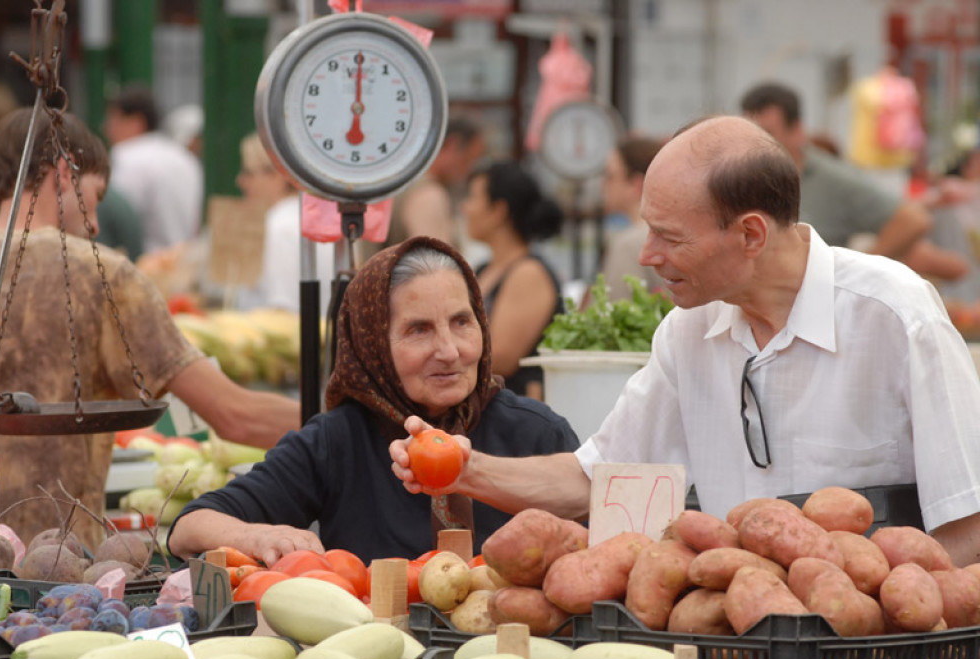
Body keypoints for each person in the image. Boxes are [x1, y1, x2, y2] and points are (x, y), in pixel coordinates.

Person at [390, 115, 980, 568]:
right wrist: (463, 469)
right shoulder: (689, 333)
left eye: (668, 237)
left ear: (750, 234)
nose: (647, 257)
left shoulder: (895, 316)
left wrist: (893, 606)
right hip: (736, 649)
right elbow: (591, 480)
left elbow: (968, 519)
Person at [0, 107, 303, 551]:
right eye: (96, 195)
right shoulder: (101, 274)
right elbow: (235, 415)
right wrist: (343, 424)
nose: (96, 223)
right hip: (54, 554)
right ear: (64, 173)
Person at [167, 237, 579, 564]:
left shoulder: (538, 432)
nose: (450, 350)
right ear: (372, 346)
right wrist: (259, 535)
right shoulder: (337, 441)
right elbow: (189, 527)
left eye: (461, 322)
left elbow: (605, 532)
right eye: (419, 330)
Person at [739, 82, 967, 281]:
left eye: (768, 132)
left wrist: (855, 274)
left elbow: (913, 220)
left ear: (797, 130)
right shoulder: (743, 177)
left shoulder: (832, 179)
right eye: (751, 132)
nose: (758, 143)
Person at [463, 161, 564, 399]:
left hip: (513, 409)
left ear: (499, 211)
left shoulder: (529, 273)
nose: (465, 208)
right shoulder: (483, 268)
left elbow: (501, 358)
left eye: (472, 198)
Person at [361, 115, 486, 263]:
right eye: (469, 160)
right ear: (452, 145)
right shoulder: (428, 194)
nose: (468, 171)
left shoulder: (400, 182)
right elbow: (437, 267)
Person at [232, 132, 332, 313]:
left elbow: (282, 310)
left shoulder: (278, 227)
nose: (240, 181)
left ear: (278, 176)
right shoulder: (309, 218)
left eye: (248, 173)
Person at [104, 84, 203, 254]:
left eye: (113, 119)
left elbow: (118, 218)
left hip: (143, 267)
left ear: (136, 122)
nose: (107, 128)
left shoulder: (126, 154)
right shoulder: (186, 158)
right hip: (182, 266)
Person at [600, 135, 666, 301]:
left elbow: (614, 310)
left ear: (635, 184)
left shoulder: (628, 245)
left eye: (610, 176)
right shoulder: (672, 233)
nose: (603, 185)